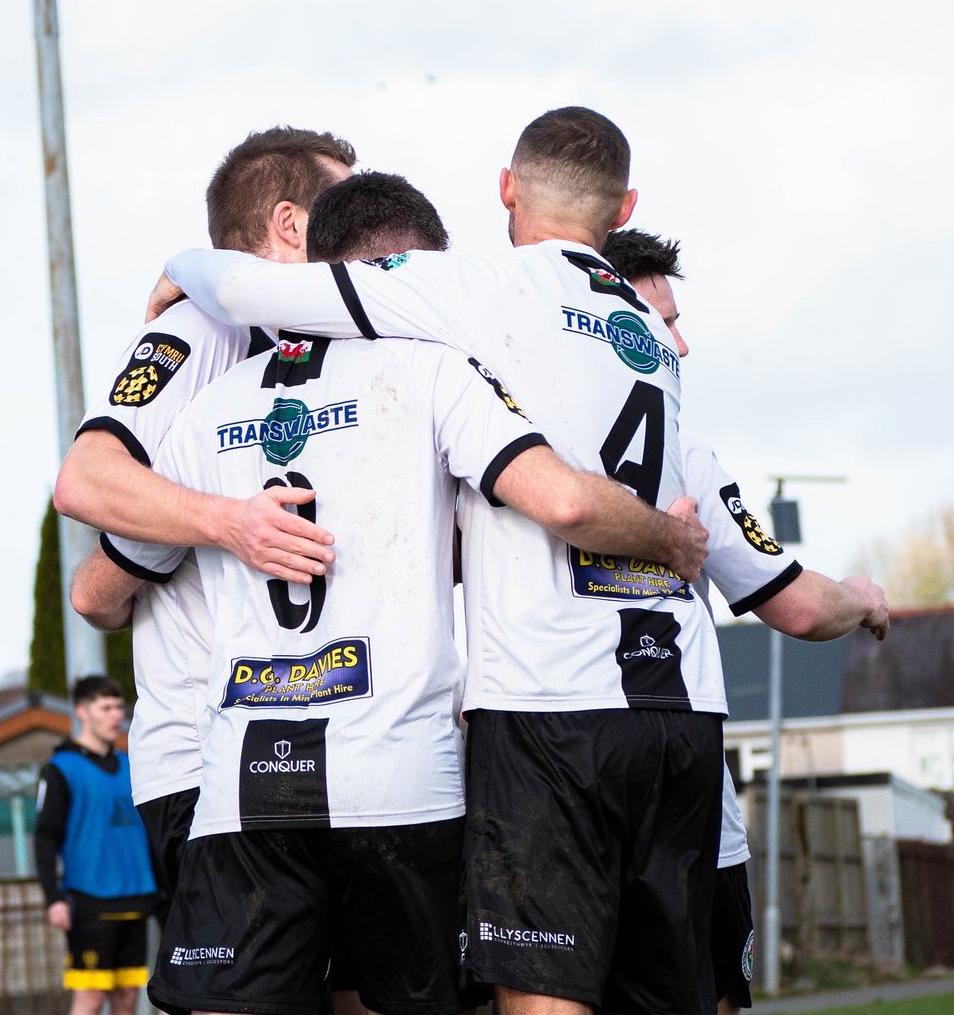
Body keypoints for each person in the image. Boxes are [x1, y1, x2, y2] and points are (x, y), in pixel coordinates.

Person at [71, 171, 710, 1015]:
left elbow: (99, 588)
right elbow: (556, 498)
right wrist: (667, 537)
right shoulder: (435, 373)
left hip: (245, 789)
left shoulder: (206, 411)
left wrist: (224, 531)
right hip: (402, 778)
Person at [53, 127, 355, 902]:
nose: (362, 223)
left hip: (343, 748)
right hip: (206, 762)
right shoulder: (202, 329)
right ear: (290, 225)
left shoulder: (348, 346)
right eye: (343, 203)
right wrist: (230, 523)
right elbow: (86, 480)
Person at [600, 228, 889, 1015]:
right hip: (675, 767)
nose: (683, 347)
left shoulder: (504, 441)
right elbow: (793, 602)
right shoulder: (683, 451)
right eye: (666, 322)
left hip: (536, 763)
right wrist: (862, 597)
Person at [34, 675, 157, 1015]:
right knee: (89, 998)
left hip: (135, 894)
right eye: (105, 707)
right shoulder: (61, 769)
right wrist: (52, 896)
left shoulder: (133, 765)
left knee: (128, 996)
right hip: (89, 899)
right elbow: (45, 836)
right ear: (82, 712)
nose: (115, 715)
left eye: (119, 707)